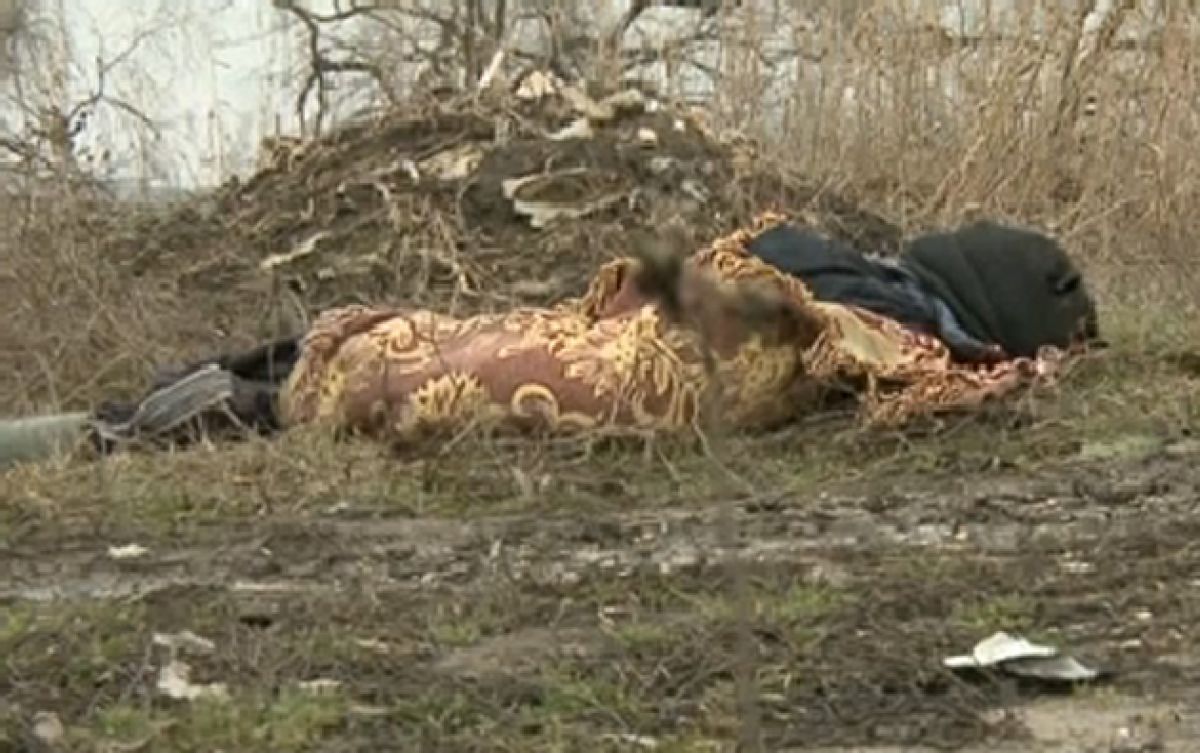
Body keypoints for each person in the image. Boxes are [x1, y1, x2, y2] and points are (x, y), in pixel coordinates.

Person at [0, 212, 1100, 467]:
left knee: (368, 362)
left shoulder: (863, 292)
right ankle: (100, 431)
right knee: (370, 364)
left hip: (595, 351)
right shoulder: (894, 318)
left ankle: (91, 432)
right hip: (611, 348)